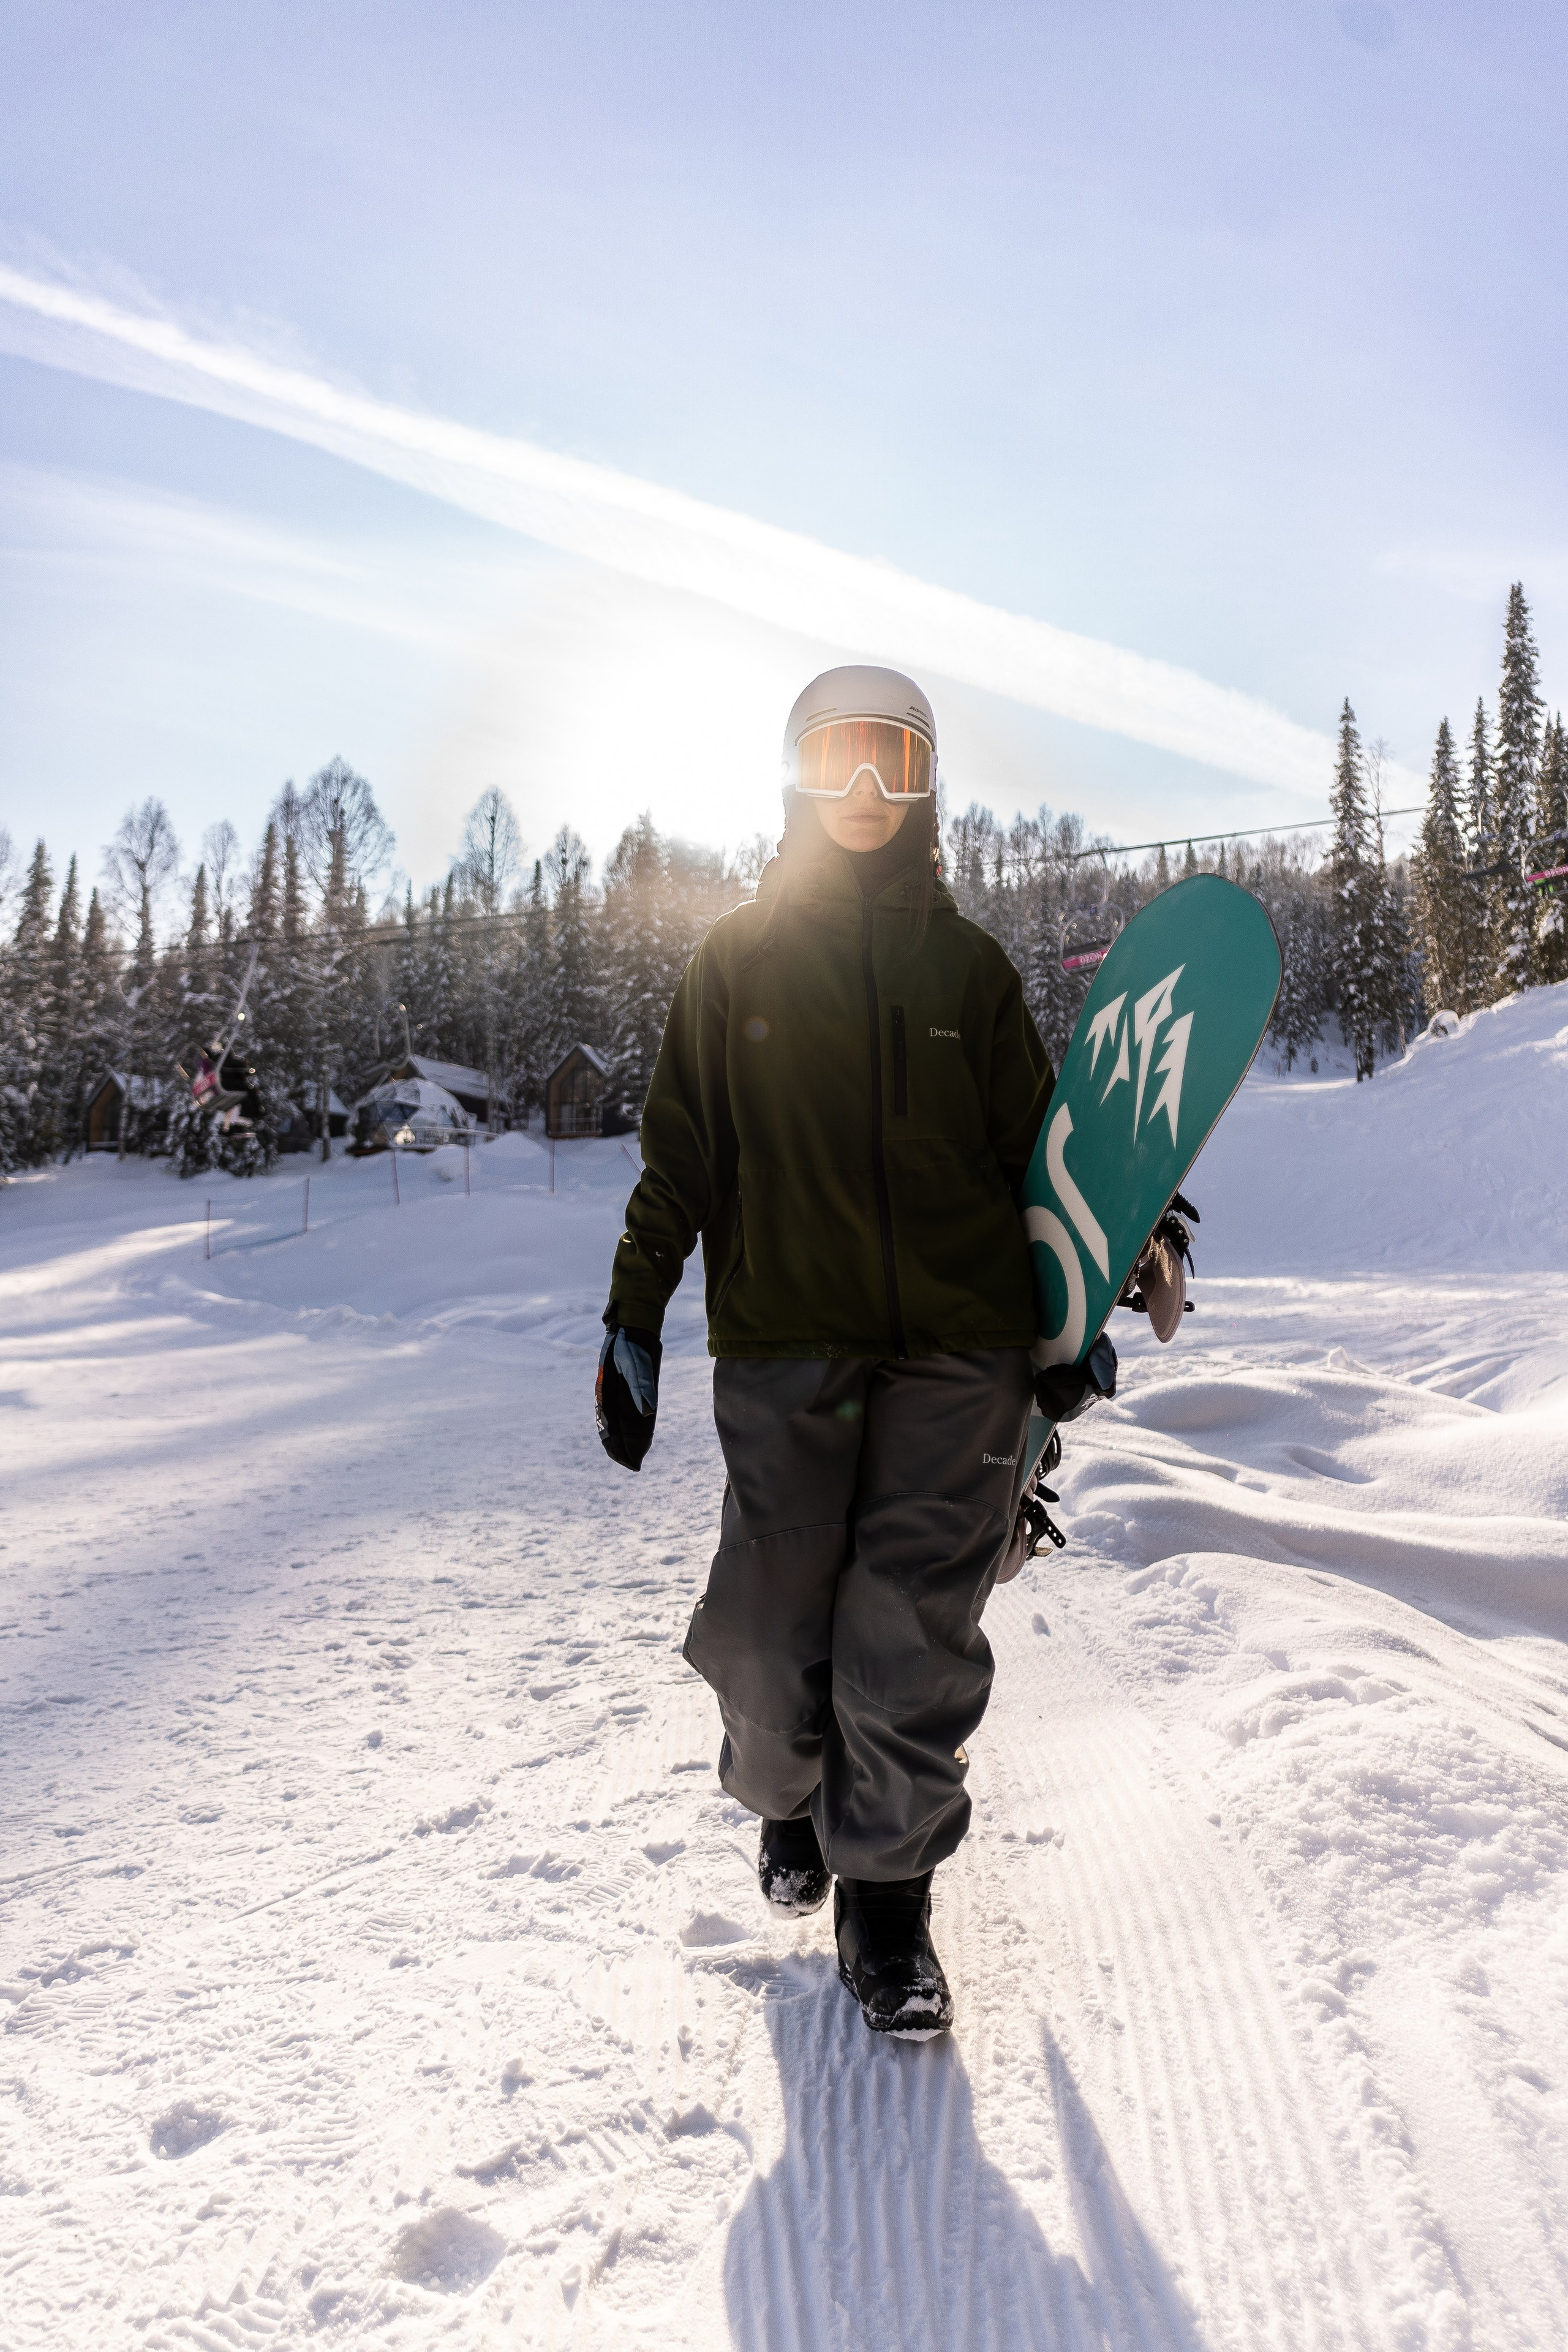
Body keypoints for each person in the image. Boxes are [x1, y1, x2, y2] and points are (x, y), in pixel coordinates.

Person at [596, 665, 1088, 2040]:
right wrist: (632, 1311)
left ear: (924, 784)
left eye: (890, 761)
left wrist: (1072, 1317)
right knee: (769, 1640)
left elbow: (1042, 1161)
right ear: (795, 776)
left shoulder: (969, 969)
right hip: (783, 1343)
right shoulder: (735, 959)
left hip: (959, 1347)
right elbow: (678, 1159)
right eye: (837, 759)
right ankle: (789, 1796)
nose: (863, 790)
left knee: (906, 1638)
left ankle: (888, 1904)